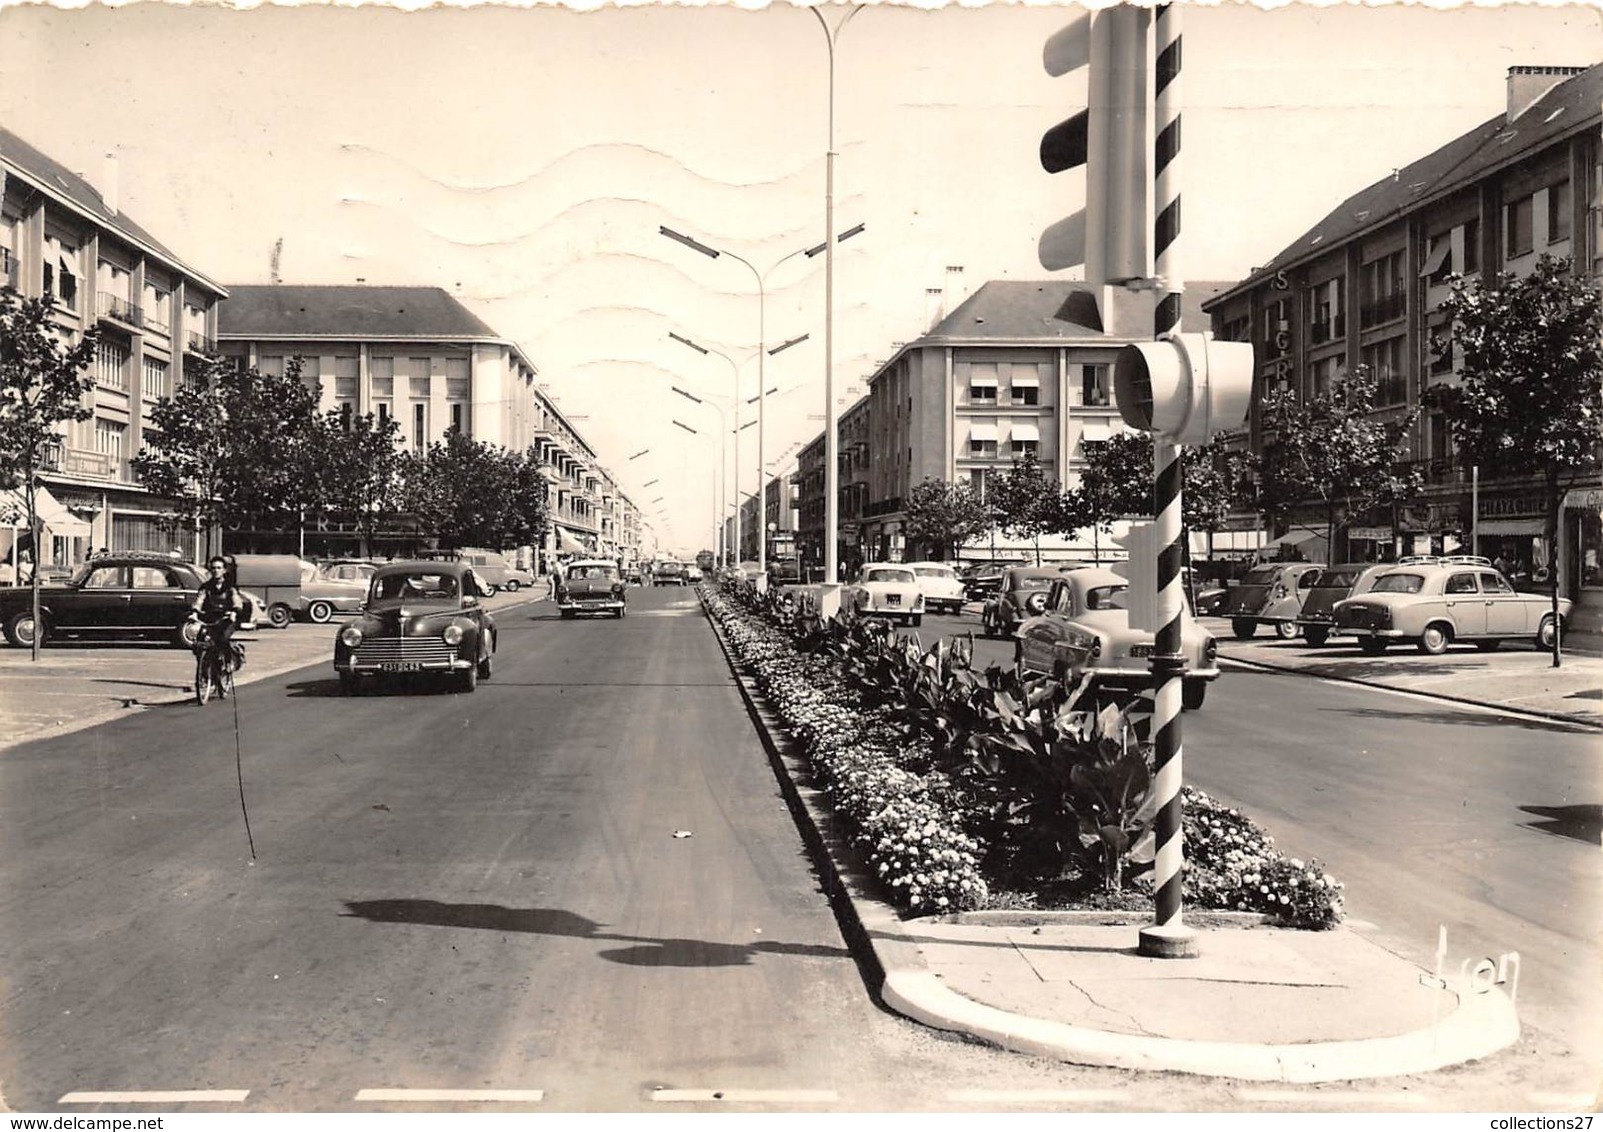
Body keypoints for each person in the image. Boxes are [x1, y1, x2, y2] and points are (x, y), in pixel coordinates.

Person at [188, 555, 245, 687]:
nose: (216, 571)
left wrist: (235, 612)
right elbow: (199, 600)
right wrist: (194, 613)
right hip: (210, 618)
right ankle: (204, 671)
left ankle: (228, 662)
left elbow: (237, 601)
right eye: (213, 568)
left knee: (222, 639)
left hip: (226, 618)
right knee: (199, 643)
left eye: (219, 568)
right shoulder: (206, 587)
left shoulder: (230, 587)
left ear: (224, 570)